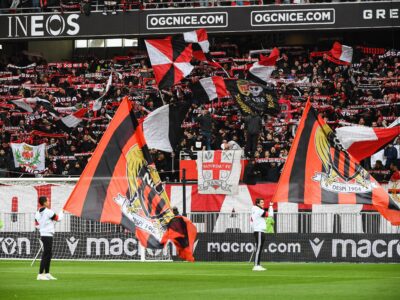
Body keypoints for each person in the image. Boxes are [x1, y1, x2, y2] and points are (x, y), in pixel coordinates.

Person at [35, 196, 63, 280]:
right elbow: (58, 219)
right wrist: (62, 211)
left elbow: (37, 224)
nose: (49, 202)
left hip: (44, 234)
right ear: (44, 203)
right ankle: (40, 274)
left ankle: (47, 273)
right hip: (47, 235)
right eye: (48, 201)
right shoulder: (48, 211)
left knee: (49, 254)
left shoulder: (37, 212)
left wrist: (45, 225)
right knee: (46, 254)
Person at [251, 198, 272, 271]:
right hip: (259, 231)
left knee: (259, 248)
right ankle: (256, 265)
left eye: (263, 202)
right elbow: (270, 215)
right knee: (259, 248)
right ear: (257, 203)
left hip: (259, 231)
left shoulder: (256, 209)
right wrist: (271, 206)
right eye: (261, 202)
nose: (263, 203)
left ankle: (258, 264)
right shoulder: (258, 210)